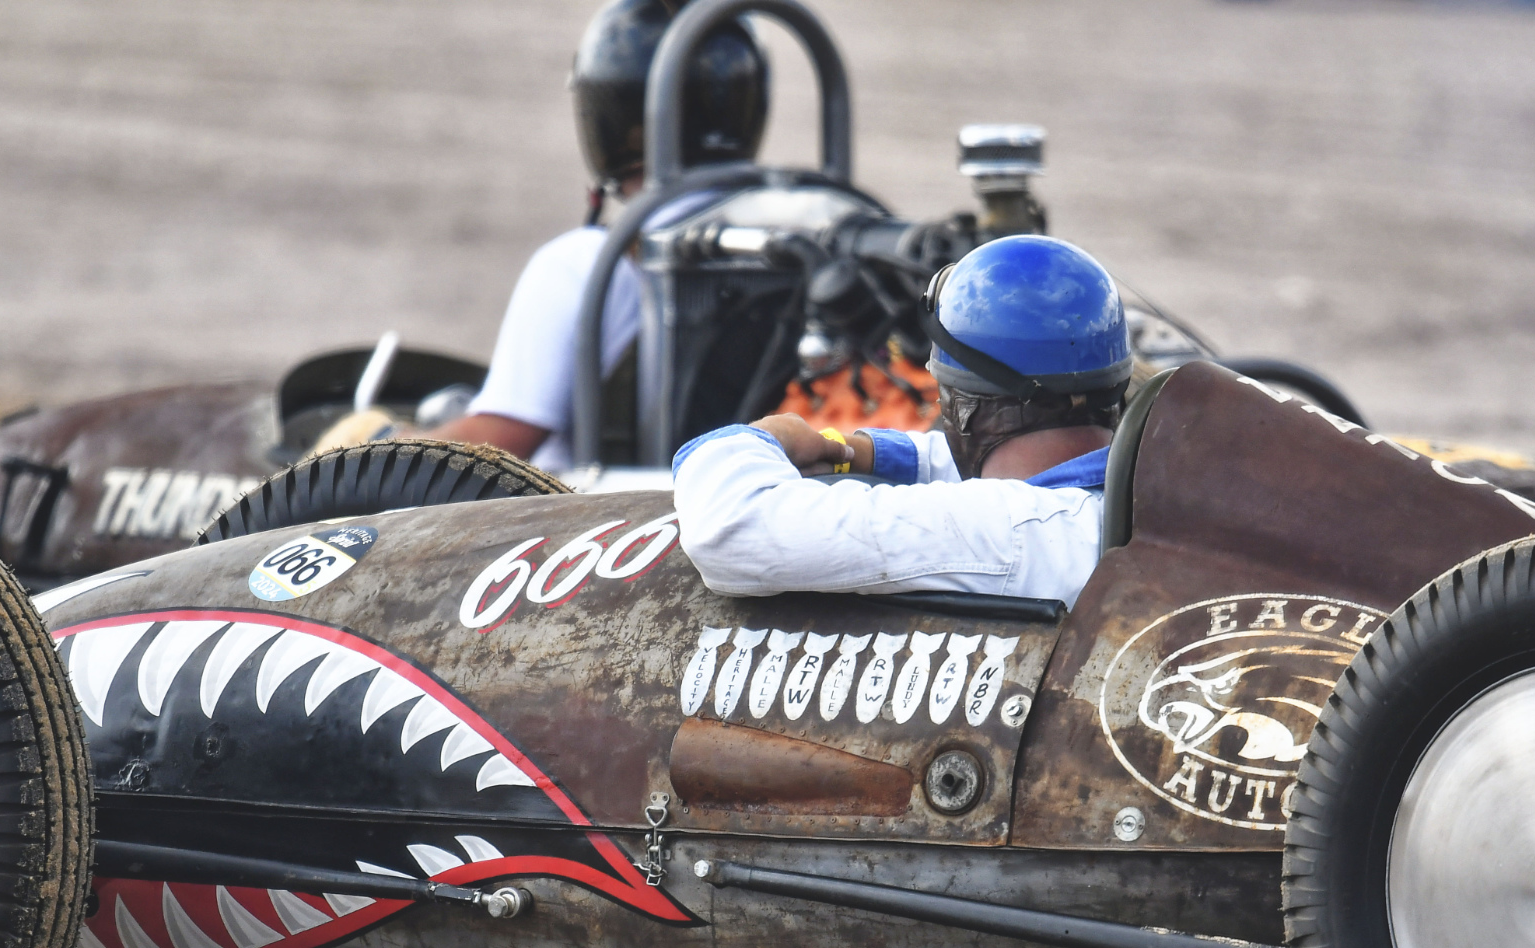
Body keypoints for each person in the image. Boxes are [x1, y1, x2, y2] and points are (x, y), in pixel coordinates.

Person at [673, 235, 1132, 608]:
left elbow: (729, 529)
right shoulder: (1136, 477)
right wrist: (858, 451)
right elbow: (1014, 466)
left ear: (962, 403)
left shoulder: (1007, 532)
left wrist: (760, 437)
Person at [421, 0, 769, 472]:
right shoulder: (805, 238)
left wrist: (375, 441)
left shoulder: (585, 263)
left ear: (612, 117)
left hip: (619, 512)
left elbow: (494, 447)